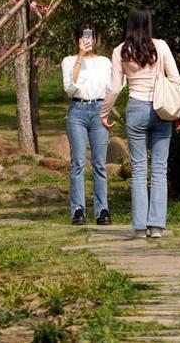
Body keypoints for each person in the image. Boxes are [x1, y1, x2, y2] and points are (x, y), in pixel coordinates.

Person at [100, 7, 180, 238]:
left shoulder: (120, 51)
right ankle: (156, 226)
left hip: (136, 109)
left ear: (129, 24)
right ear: (148, 23)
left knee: (138, 169)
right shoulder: (161, 46)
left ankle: (139, 226)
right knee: (159, 169)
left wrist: (104, 113)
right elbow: (175, 79)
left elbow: (114, 87)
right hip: (161, 109)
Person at [61, 22, 113, 226]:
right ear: (77, 39)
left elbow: (112, 88)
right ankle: (78, 210)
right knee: (78, 162)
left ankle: (102, 209)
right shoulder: (69, 61)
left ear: (96, 38)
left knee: (100, 163)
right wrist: (80, 57)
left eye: (91, 36)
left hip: (99, 110)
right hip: (77, 110)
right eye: (84, 36)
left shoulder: (104, 62)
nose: (88, 40)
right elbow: (69, 87)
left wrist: (107, 111)